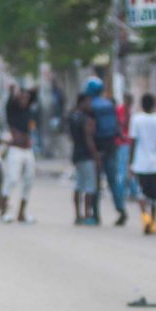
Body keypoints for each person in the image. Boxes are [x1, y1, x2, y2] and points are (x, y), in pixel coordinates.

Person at [85, 77, 127, 225]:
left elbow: (90, 129)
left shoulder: (91, 107)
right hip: (112, 146)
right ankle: (121, 209)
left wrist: (92, 149)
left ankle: (96, 215)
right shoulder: (109, 104)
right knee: (113, 181)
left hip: (98, 147)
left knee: (96, 181)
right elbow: (117, 125)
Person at [128, 93, 156, 235]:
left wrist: (130, 163)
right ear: (154, 104)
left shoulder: (136, 119)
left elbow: (133, 142)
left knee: (141, 194)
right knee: (155, 196)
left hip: (140, 163)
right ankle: (153, 221)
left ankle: (145, 218)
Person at [1, 85, 37, 224]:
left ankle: (22, 213)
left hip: (28, 150)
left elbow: (34, 93)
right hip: (15, 149)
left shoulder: (28, 110)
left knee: (29, 180)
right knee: (12, 179)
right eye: (22, 97)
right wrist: (13, 91)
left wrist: (30, 90)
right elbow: (10, 102)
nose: (25, 100)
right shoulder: (12, 110)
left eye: (27, 98)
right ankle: (4, 211)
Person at [68, 94, 100, 226]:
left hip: (76, 153)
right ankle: (87, 214)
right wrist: (95, 155)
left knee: (79, 184)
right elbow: (88, 139)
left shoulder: (72, 117)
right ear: (82, 102)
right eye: (88, 102)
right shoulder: (85, 119)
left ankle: (78, 215)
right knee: (89, 186)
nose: (90, 105)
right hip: (86, 155)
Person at [116, 93, 138, 201]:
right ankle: (122, 193)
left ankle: (132, 192)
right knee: (122, 169)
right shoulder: (121, 110)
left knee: (130, 168)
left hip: (128, 143)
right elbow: (120, 125)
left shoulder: (130, 111)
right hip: (123, 143)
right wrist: (124, 137)